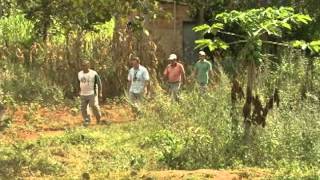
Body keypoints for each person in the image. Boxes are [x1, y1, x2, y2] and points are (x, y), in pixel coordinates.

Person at [78, 60, 102, 126]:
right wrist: (79, 90)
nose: (83, 67)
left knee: (94, 106)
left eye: (85, 65)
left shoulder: (93, 73)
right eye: (82, 65)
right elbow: (79, 82)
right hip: (83, 93)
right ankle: (87, 120)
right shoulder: (80, 73)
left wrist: (100, 93)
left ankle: (98, 118)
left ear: (88, 66)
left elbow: (99, 83)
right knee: (83, 109)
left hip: (92, 93)